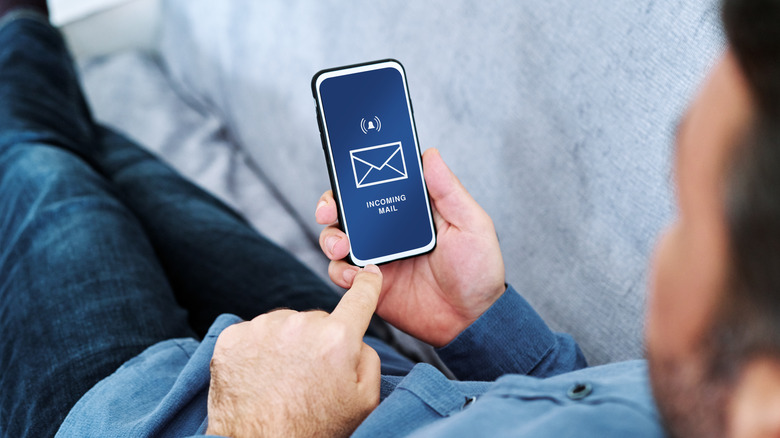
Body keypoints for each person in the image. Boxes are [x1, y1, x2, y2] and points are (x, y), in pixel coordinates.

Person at [1, 0, 779, 437]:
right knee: (123, 167)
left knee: (37, 165)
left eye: (687, 216)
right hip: (368, 364)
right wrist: (482, 325)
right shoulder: (725, 401)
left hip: (144, 417)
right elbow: (593, 407)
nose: (660, 249)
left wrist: (259, 429)